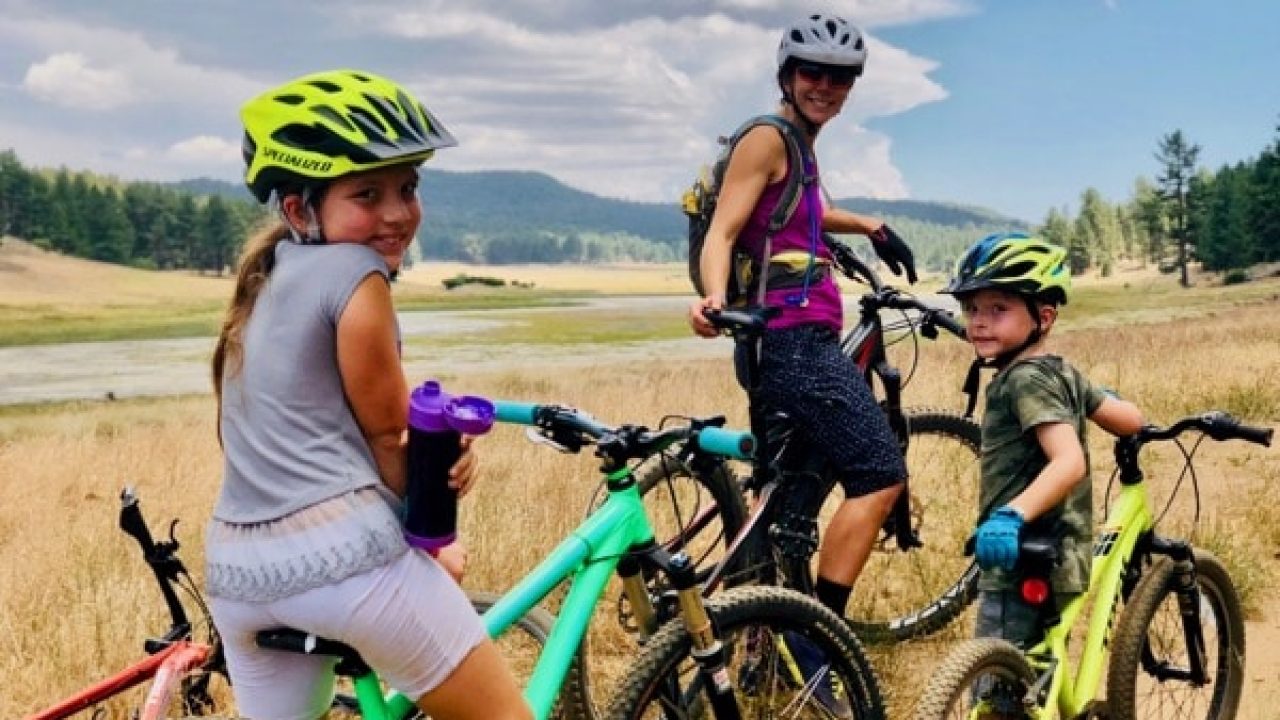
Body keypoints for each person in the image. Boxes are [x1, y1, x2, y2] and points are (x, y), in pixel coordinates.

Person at [206, 69, 530, 720]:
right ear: (298, 210)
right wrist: (431, 544)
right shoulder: (356, 270)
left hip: (236, 573)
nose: (397, 213)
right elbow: (388, 437)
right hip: (344, 564)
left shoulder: (267, 278)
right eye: (366, 194)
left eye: (408, 188)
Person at [689, 12, 916, 622]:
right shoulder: (767, 138)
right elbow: (723, 231)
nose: (826, 87)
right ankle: (818, 633)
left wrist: (871, 226)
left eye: (840, 78)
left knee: (783, 491)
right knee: (879, 474)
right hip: (791, 343)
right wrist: (713, 298)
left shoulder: (798, 141)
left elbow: (807, 209)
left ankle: (762, 620)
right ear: (787, 75)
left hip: (791, 339)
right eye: (813, 73)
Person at [940, 233, 1144, 673]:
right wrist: (1109, 401)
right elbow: (1128, 420)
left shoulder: (1025, 381)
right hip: (1062, 552)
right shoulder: (1061, 372)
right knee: (1039, 672)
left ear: (1044, 317)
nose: (979, 322)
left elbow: (1069, 462)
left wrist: (1010, 517)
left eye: (998, 309)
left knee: (998, 680)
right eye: (972, 308)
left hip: (1020, 555)